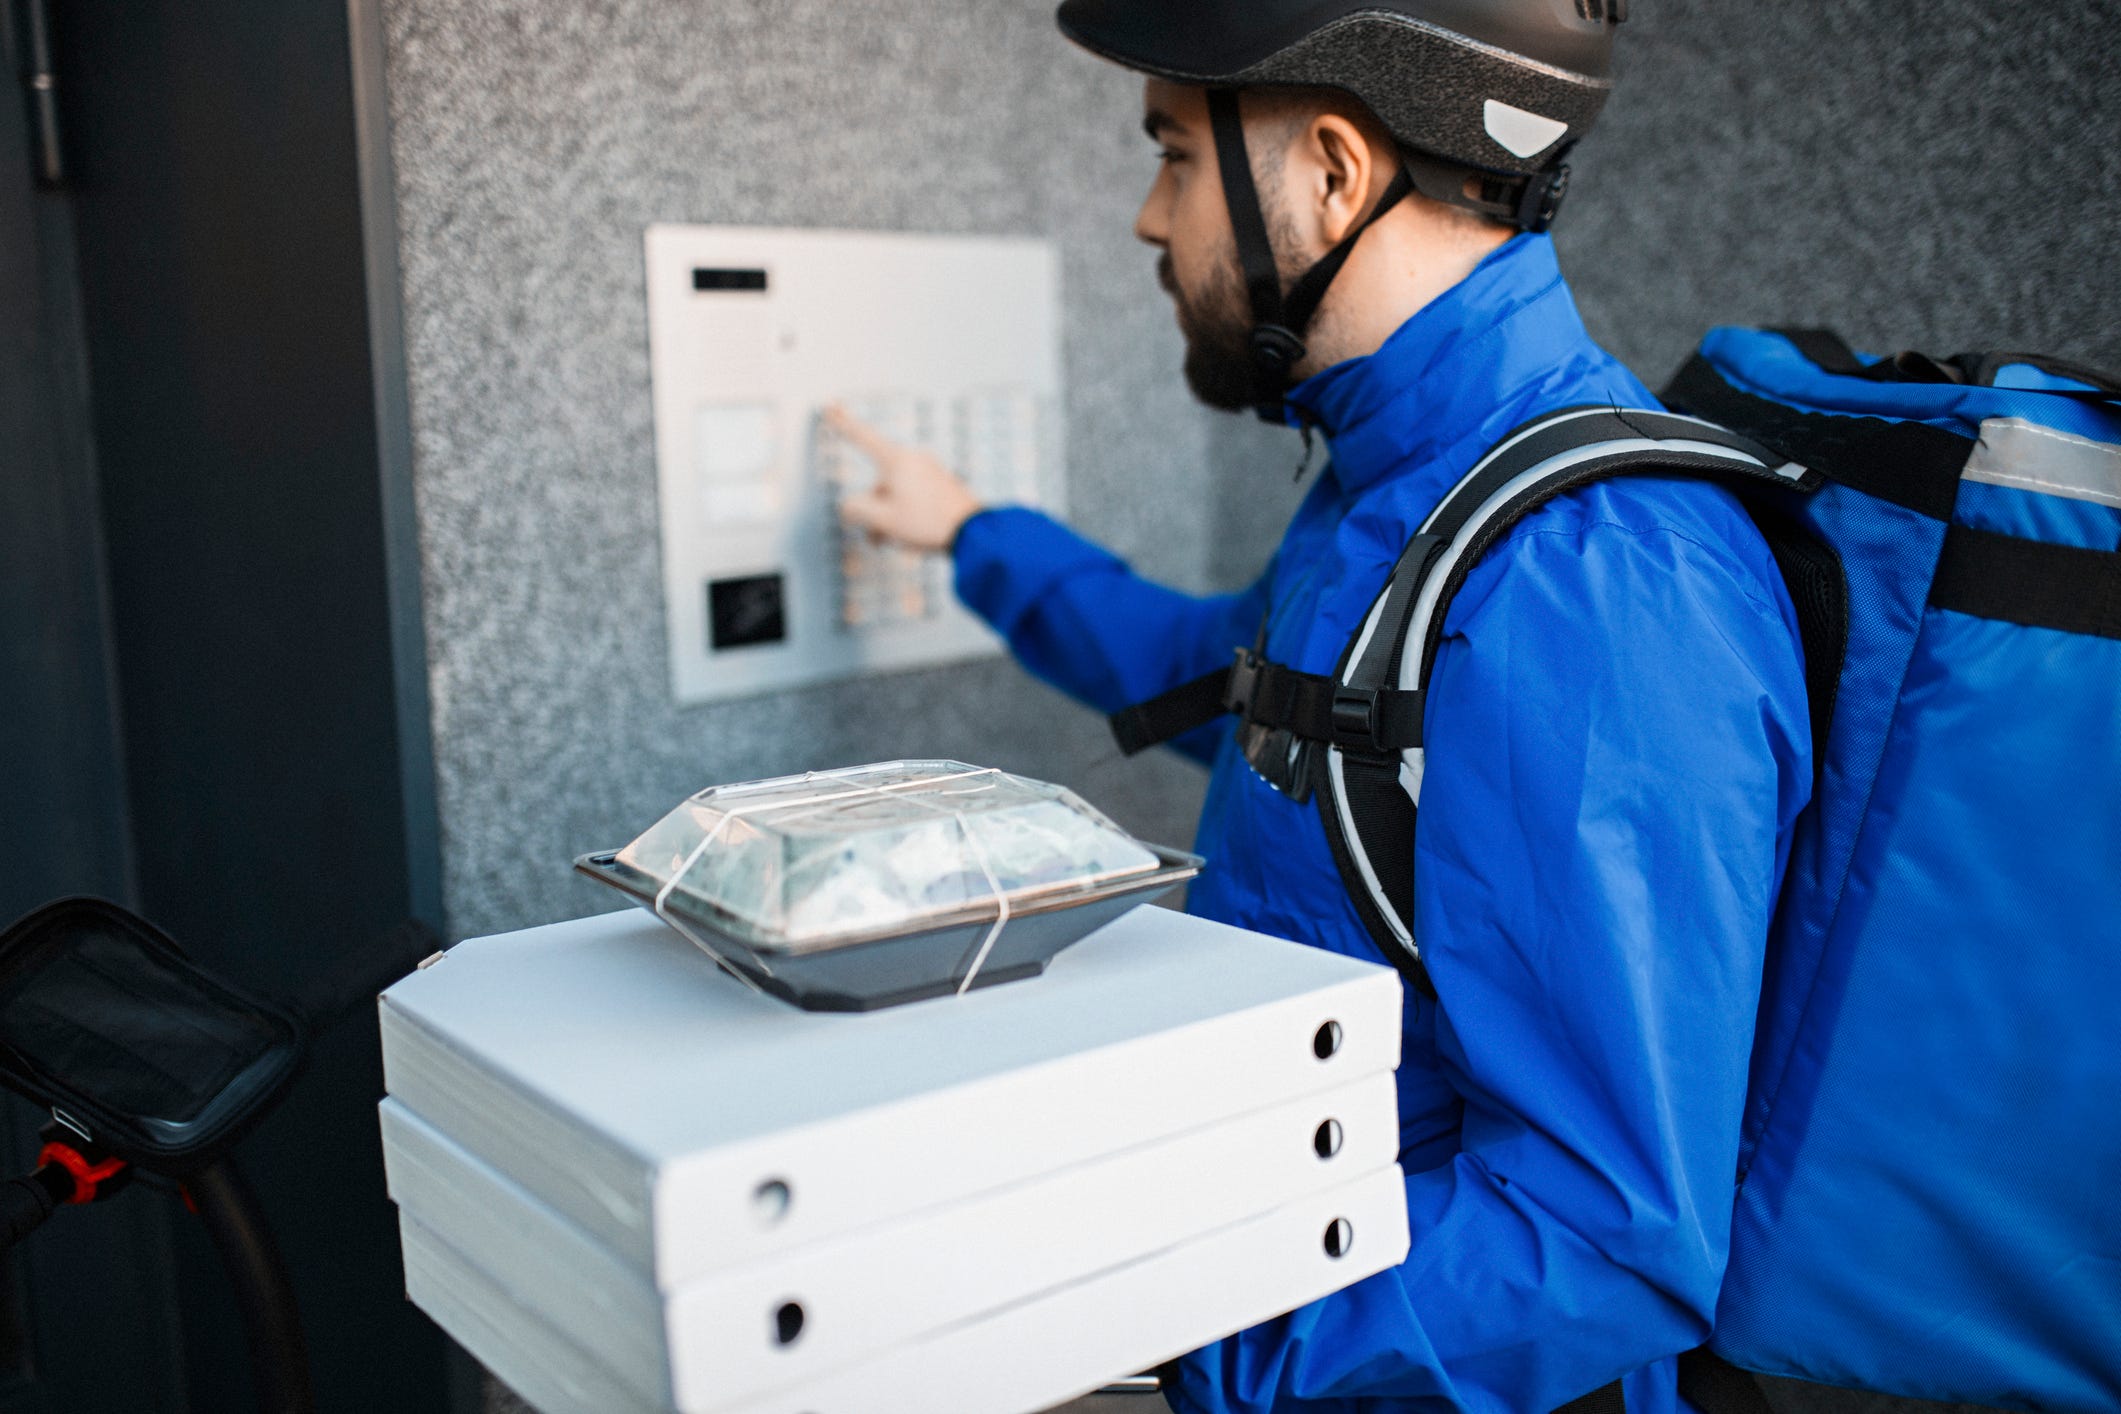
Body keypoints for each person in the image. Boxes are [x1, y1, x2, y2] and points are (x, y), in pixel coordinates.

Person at [832, 3, 1814, 1410]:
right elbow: (1235, 693)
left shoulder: (1595, 583)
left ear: (1335, 174)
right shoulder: (1388, 483)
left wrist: (1181, 1357)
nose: (1145, 219)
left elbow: (1601, 1239)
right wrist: (974, 533)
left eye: (1171, 154)